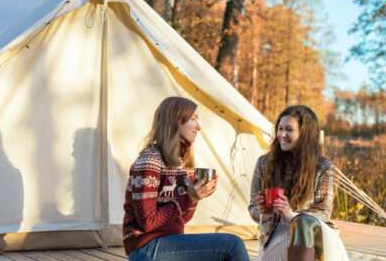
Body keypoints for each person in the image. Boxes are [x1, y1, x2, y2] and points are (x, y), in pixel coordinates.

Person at [123, 97, 249, 261]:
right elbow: (148, 222)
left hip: (169, 241)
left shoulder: (180, 164)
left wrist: (195, 197)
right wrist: (189, 198)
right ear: (175, 121)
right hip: (144, 246)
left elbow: (182, 219)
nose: (199, 126)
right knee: (233, 245)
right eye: (193, 119)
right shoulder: (149, 162)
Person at [248, 105, 348, 261]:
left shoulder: (322, 167)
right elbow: (252, 207)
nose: (282, 134)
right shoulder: (264, 163)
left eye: (289, 129)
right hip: (276, 233)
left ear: (305, 134)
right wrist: (265, 213)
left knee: (304, 224)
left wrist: (292, 216)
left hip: (314, 230)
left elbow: (323, 212)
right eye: (280, 129)